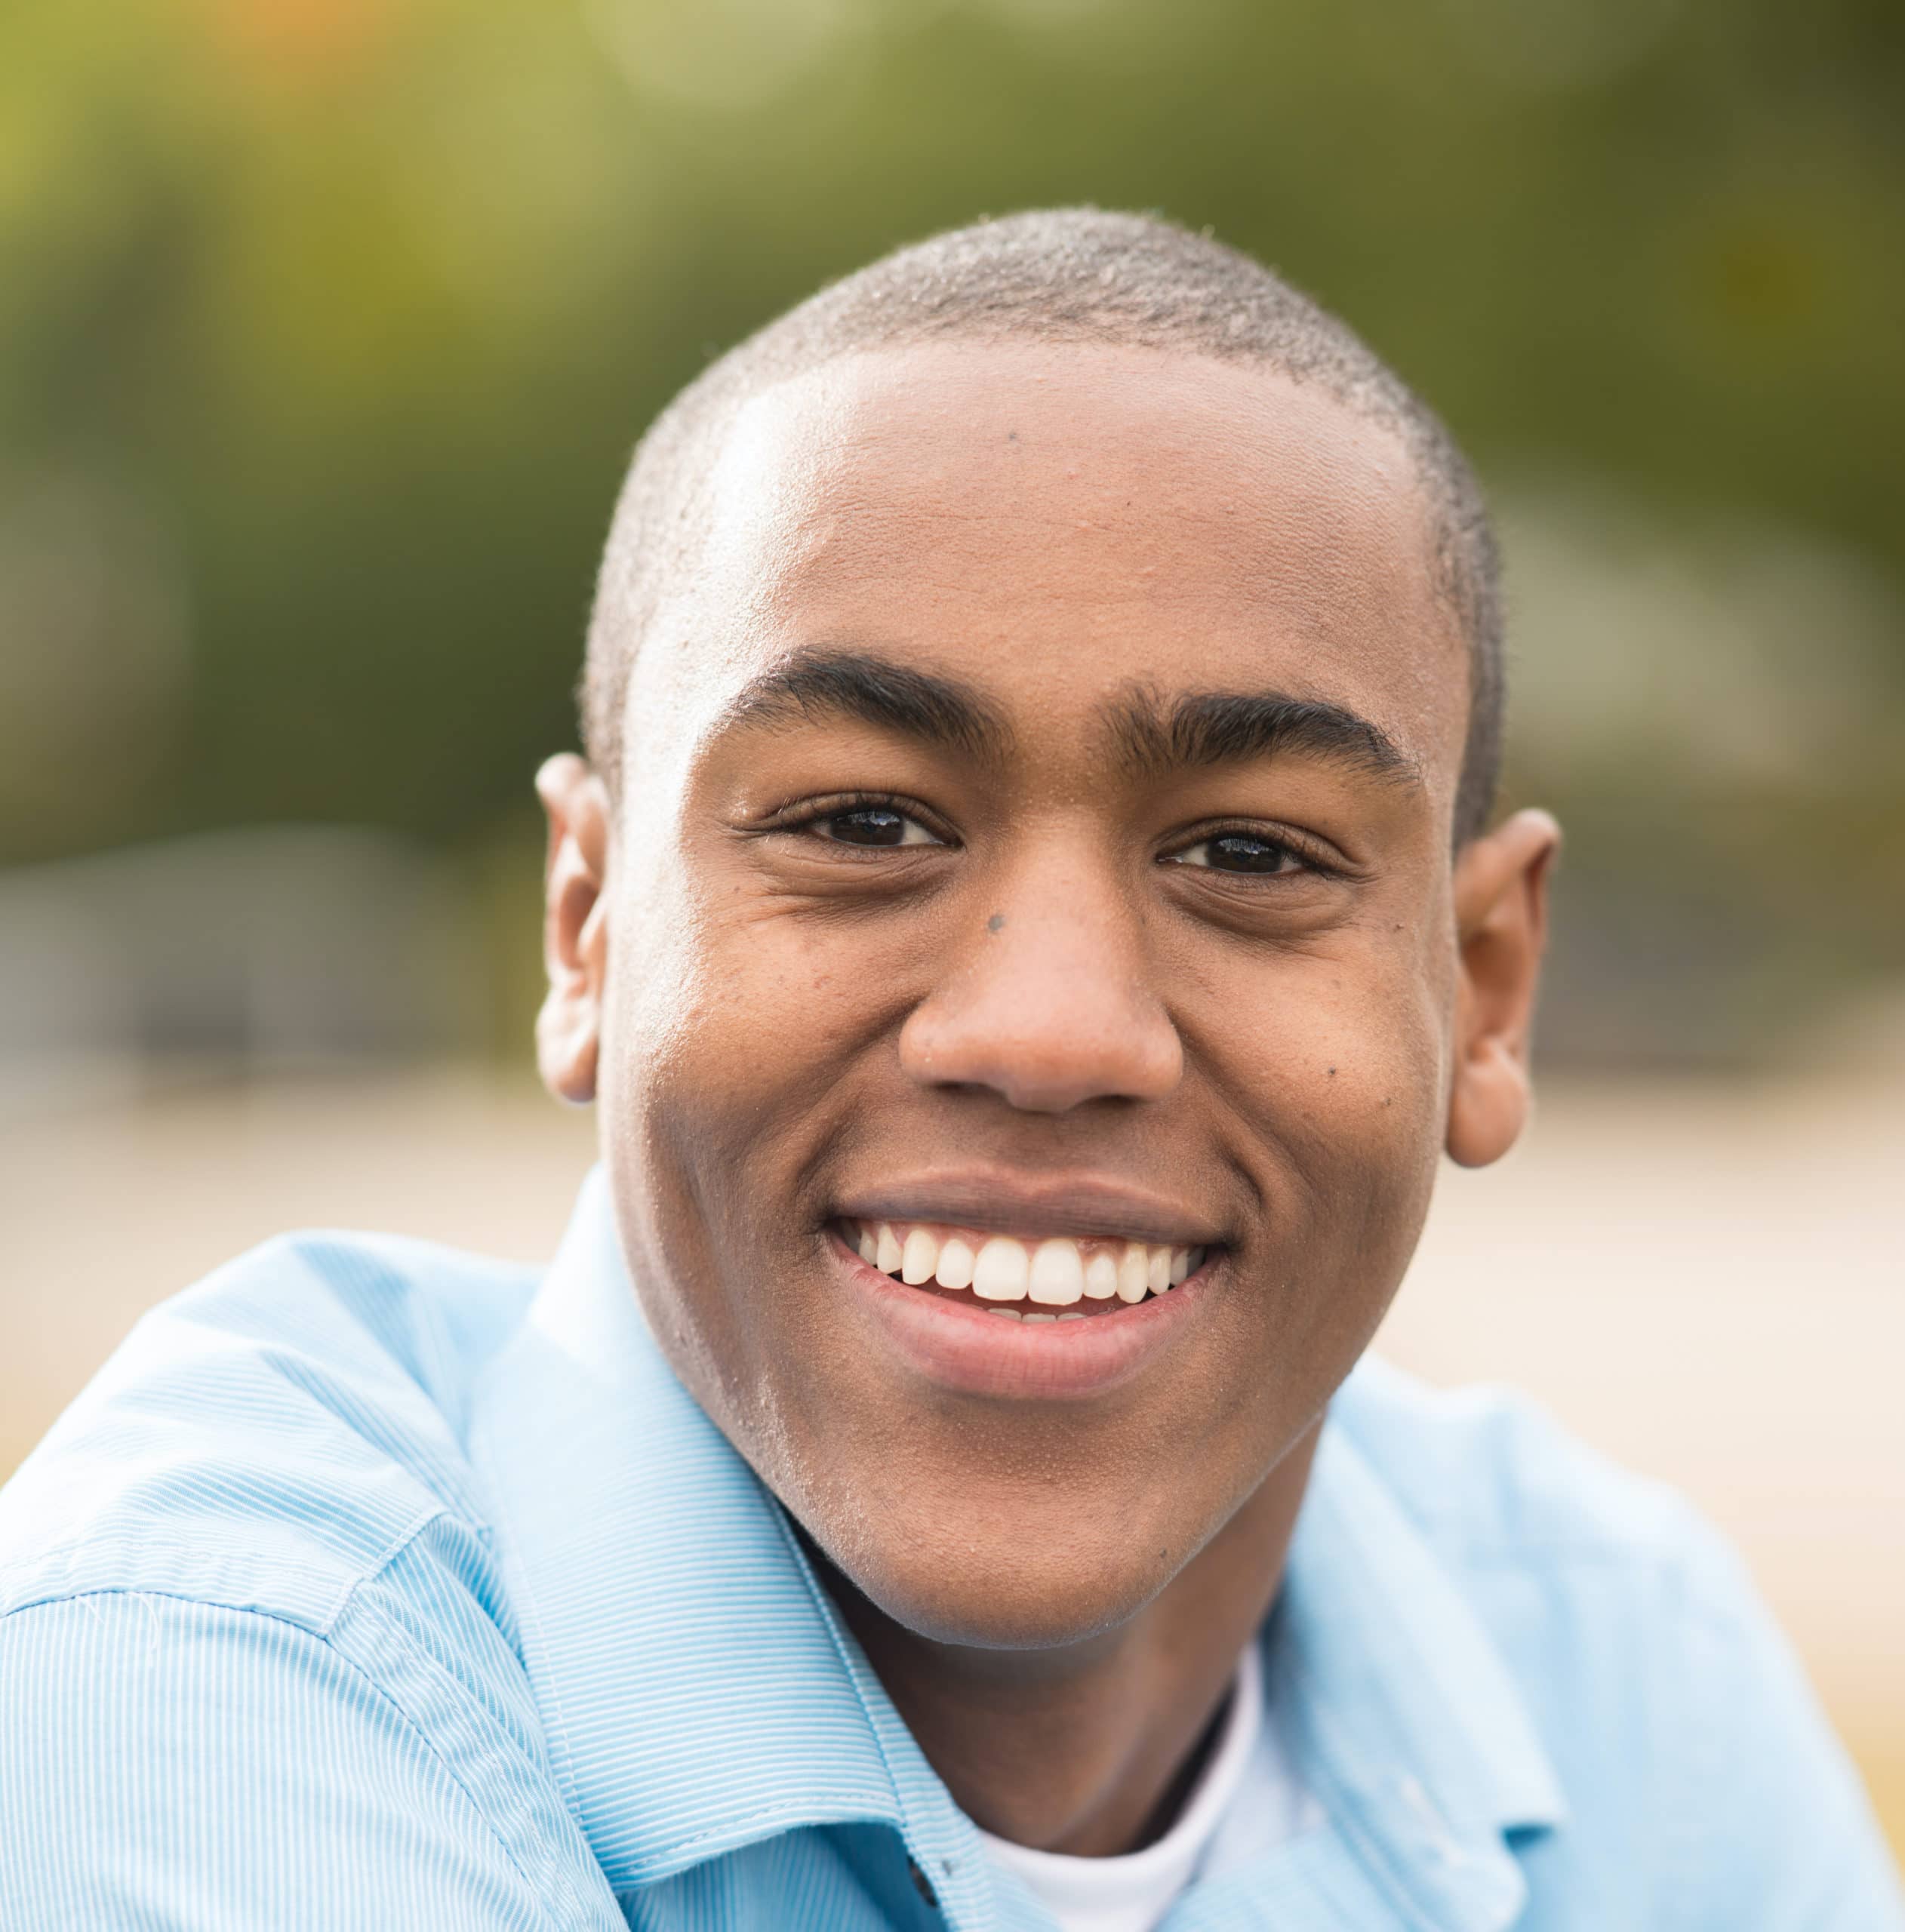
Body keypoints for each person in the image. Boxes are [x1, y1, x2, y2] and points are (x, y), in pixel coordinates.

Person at [1, 209, 1897, 1932]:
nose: (1050, 1029)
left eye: (1247, 852)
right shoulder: (198, 1683)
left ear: (1480, 990)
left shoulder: (1621, 1667)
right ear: (589, 929)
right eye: (858, 819)